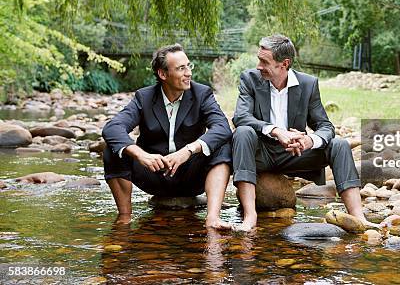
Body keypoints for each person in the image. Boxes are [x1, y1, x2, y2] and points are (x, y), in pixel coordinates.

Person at [231, 34, 370, 230]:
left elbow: (325, 126)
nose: (259, 66)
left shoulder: (308, 84)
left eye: (264, 61)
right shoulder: (250, 79)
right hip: (260, 154)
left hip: (294, 154)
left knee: (340, 145)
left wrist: (309, 141)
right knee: (243, 132)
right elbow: (241, 117)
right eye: (259, 59)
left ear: (284, 64)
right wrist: (276, 131)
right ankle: (250, 216)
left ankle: (358, 218)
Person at [102, 43, 233, 229]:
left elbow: (222, 127)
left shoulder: (202, 94)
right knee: (113, 149)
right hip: (153, 175)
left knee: (222, 144)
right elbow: (112, 128)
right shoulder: (144, 97)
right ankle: (124, 217)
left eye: (189, 66)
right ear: (163, 74)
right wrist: (141, 155)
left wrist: (188, 150)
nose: (189, 73)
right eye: (181, 68)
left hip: (192, 177)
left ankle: (212, 217)